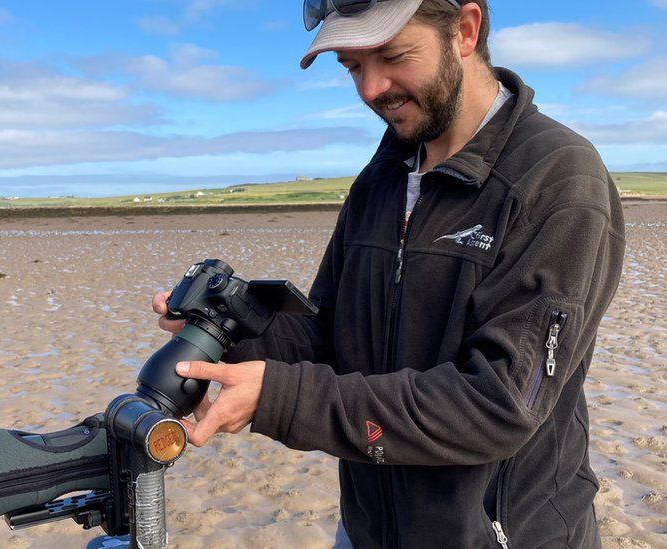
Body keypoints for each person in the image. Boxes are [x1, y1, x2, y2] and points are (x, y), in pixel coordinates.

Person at [152, 1, 625, 547]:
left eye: (394, 56)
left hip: (501, 535)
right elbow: (330, 336)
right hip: (367, 529)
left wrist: (282, 398)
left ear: (465, 31)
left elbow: (498, 403)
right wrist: (231, 330)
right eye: (353, 66)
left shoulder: (557, 179)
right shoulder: (382, 177)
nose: (372, 88)